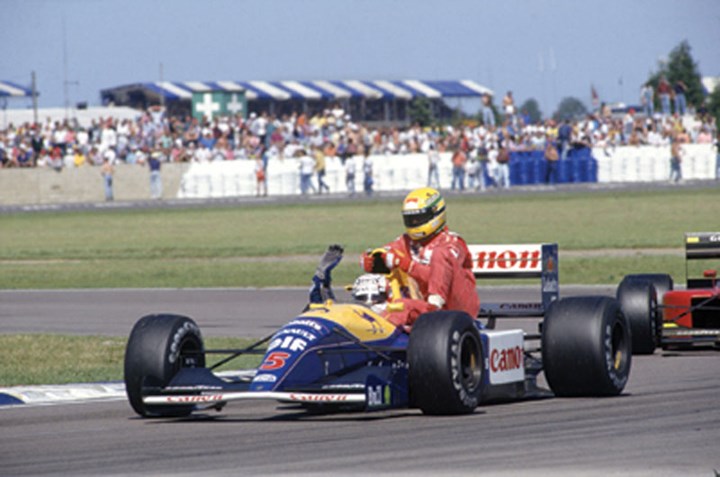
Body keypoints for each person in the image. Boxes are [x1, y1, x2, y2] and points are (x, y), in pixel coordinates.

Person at [360, 187, 480, 326]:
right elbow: (387, 251)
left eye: (419, 218)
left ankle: (433, 307)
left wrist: (407, 265)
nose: (415, 223)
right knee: (398, 306)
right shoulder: (406, 242)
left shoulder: (452, 243)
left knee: (439, 254)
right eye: (411, 219)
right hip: (423, 307)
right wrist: (372, 260)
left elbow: (442, 277)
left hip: (460, 310)